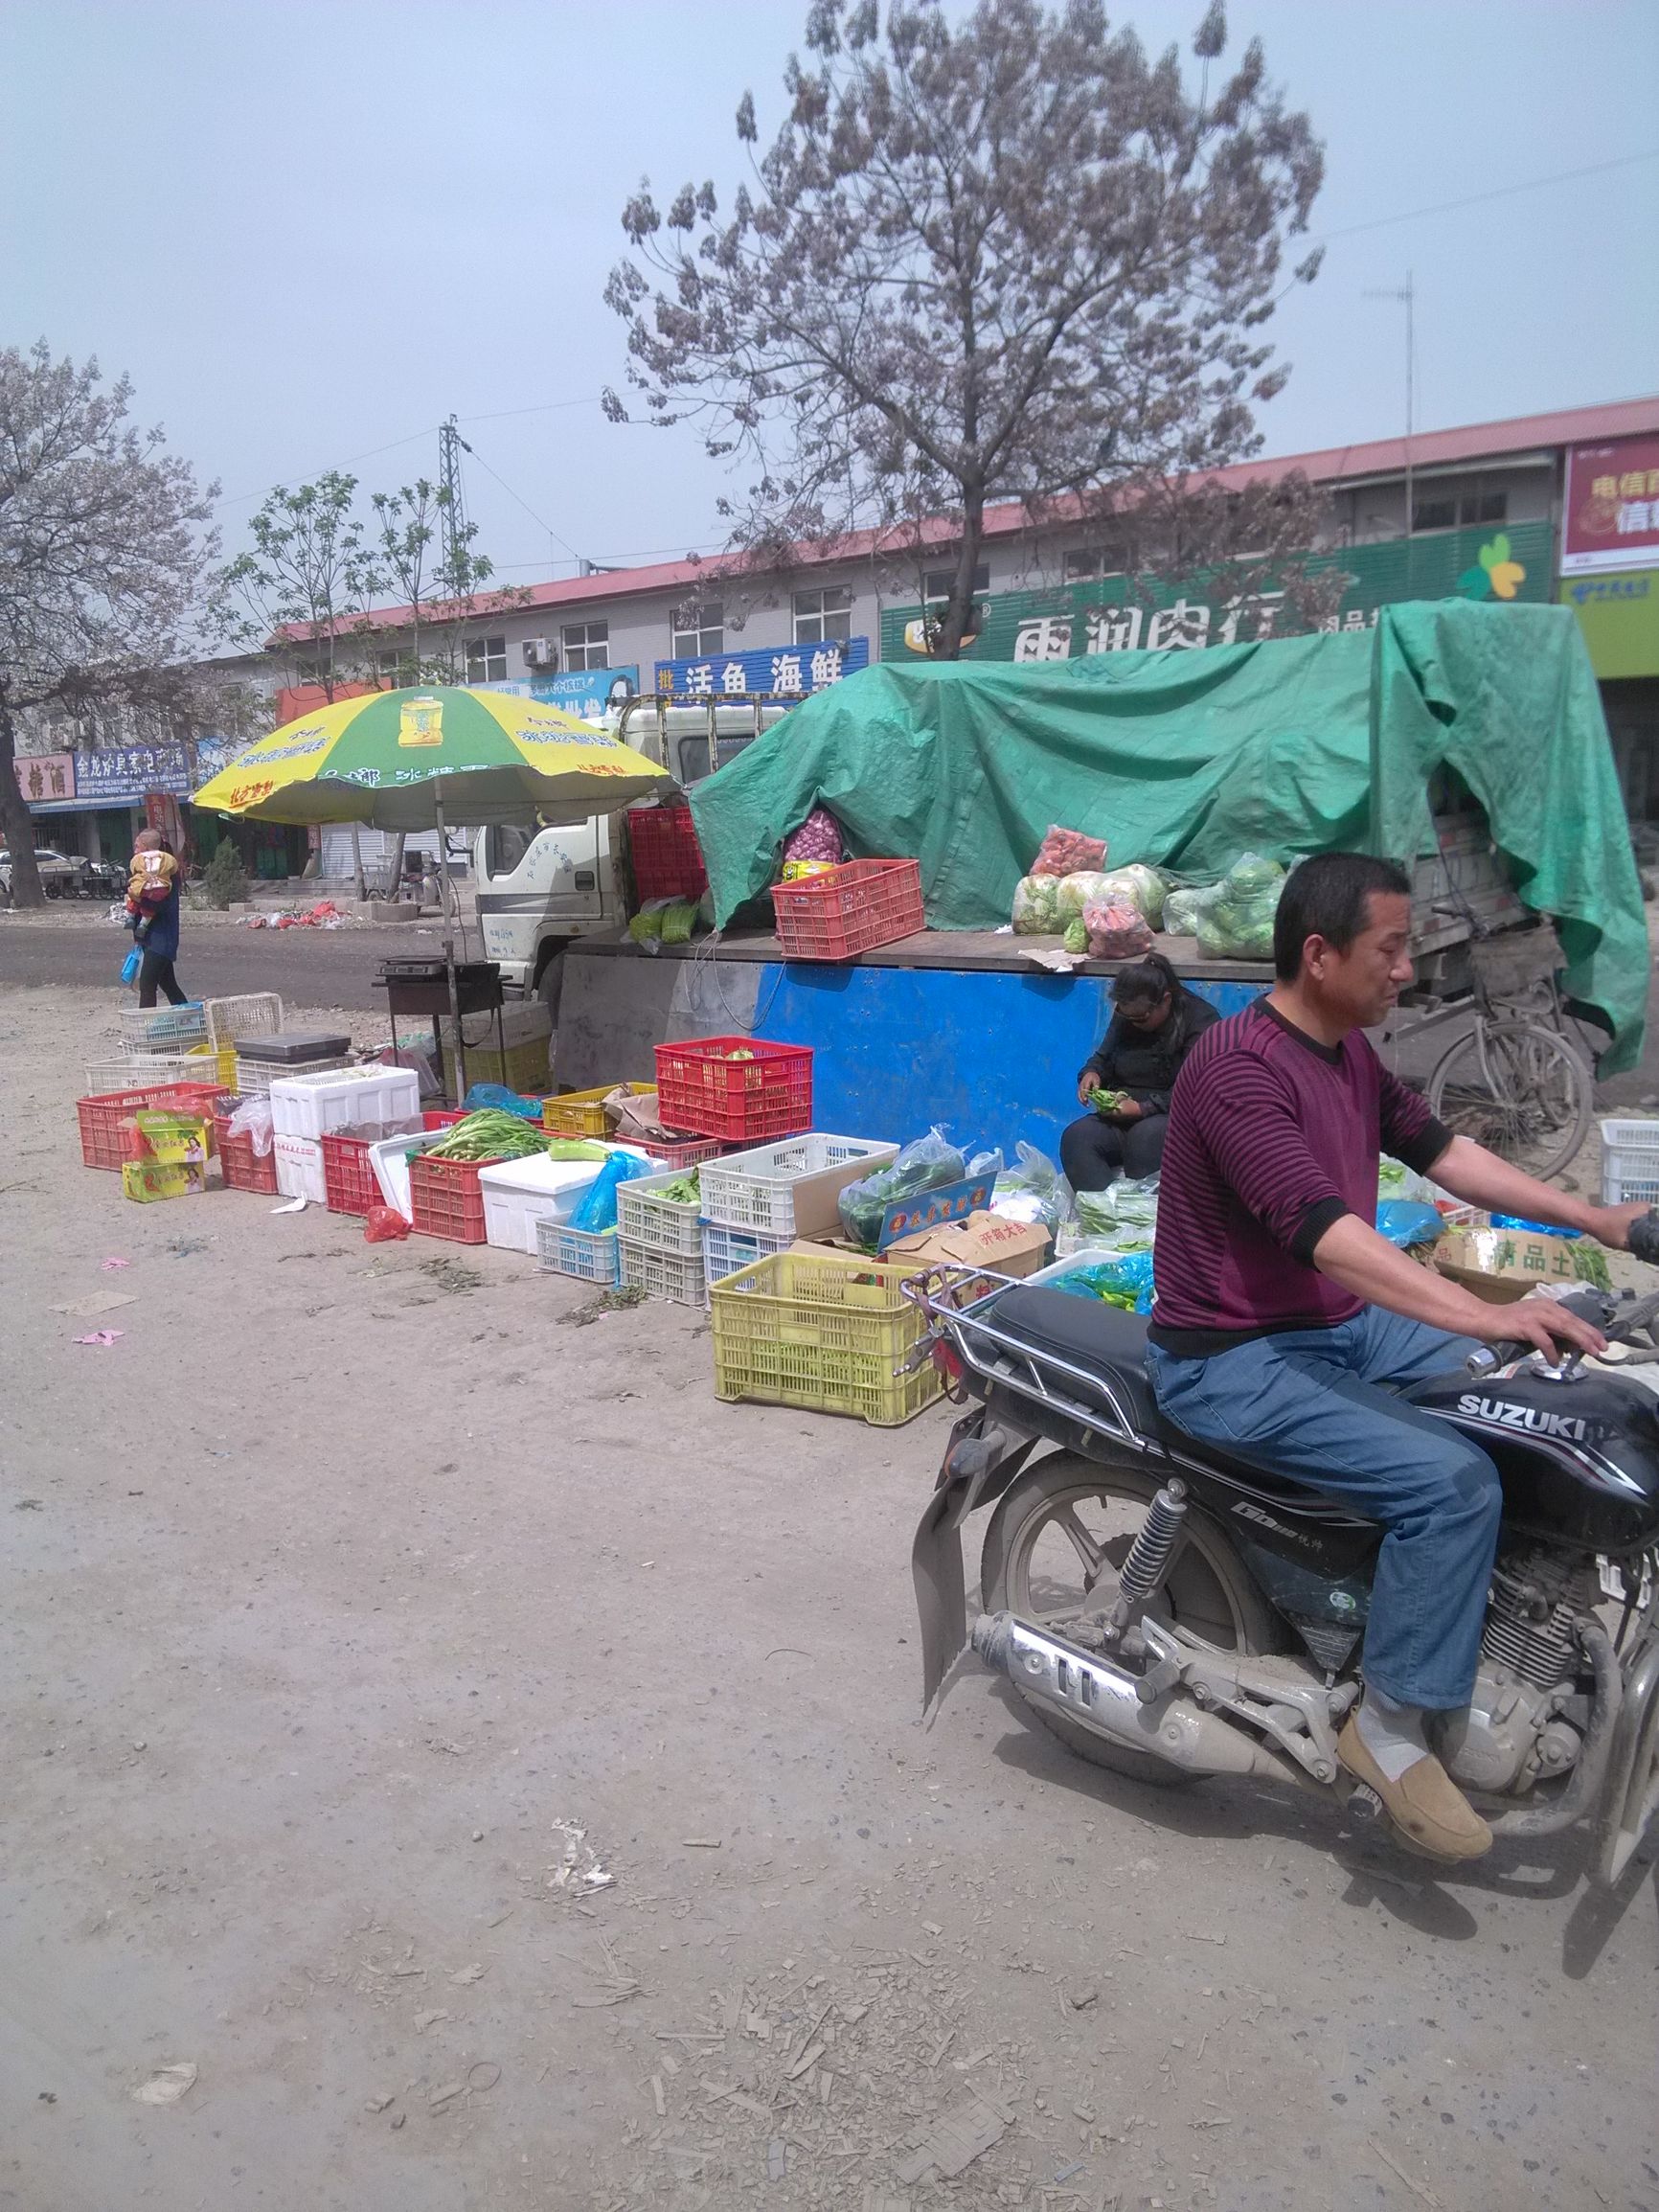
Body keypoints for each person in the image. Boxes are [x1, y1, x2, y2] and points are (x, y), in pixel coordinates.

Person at [1144, 852, 1645, 1862]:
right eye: (1393, 947)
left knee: (1526, 1395)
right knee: (1453, 1480)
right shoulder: (1238, 1067)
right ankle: (1390, 1723)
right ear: (1320, 954)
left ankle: (1488, 1623)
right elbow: (1324, 1230)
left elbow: (1445, 1152)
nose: (1408, 970)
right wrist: (1481, 1310)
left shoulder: (1347, 1052)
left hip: (1330, 1325)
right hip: (1229, 1355)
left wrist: (1597, 1219)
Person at [1059, 953, 1218, 1192]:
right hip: (1123, 1112)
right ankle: (1104, 1215)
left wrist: (1143, 1108)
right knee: (1077, 1138)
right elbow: (1104, 1057)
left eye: (1141, 1019)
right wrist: (1092, 1073)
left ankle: (1144, 1218)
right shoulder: (1128, 1014)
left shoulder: (1200, 1021)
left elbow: (1197, 1089)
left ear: (1166, 1000)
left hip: (1176, 1117)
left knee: (1145, 1139)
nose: (1133, 1024)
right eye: (1127, 1017)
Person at [125, 830, 187, 1008]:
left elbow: (161, 906)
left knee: (147, 984)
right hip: (152, 938)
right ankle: (190, 1020)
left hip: (161, 939)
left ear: (146, 847)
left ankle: (145, 1029)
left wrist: (137, 898)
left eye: (137, 846)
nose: (135, 850)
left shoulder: (164, 875)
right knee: (169, 985)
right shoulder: (145, 871)